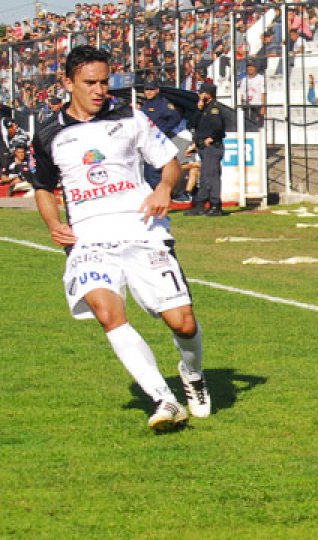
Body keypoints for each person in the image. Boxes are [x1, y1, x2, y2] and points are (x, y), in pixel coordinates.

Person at [29, 45, 210, 432]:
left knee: (183, 324)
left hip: (142, 231)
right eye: (89, 83)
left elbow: (169, 162)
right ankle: (165, 398)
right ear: (68, 83)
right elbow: (43, 186)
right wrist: (52, 222)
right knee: (109, 314)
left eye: (104, 81)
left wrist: (163, 189)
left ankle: (192, 376)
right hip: (89, 241)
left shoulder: (131, 117)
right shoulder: (48, 133)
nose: (99, 90)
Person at [185, 83, 226, 216]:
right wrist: (198, 110)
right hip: (202, 147)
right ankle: (201, 205)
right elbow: (191, 124)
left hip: (212, 147)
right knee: (204, 177)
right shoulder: (203, 109)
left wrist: (211, 138)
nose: (200, 95)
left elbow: (218, 127)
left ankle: (215, 205)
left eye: (203, 93)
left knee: (212, 177)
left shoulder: (214, 109)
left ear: (209, 94)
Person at [141, 81, 182, 189]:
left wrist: (163, 130)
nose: (149, 92)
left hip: (158, 142)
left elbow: (176, 117)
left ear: (157, 90)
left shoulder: (163, 104)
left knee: (156, 172)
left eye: (151, 89)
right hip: (147, 142)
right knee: (148, 172)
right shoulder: (145, 105)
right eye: (146, 89)